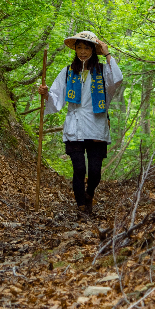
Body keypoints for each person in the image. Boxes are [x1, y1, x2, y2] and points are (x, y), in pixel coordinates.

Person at [37, 31, 123, 217]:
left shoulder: (101, 70)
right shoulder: (68, 71)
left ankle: (90, 193)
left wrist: (107, 53)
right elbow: (56, 96)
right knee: (79, 168)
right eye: (79, 47)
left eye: (86, 47)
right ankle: (81, 206)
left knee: (94, 171)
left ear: (93, 49)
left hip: (97, 125)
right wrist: (45, 94)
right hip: (74, 127)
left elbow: (117, 80)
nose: (82, 51)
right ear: (75, 49)